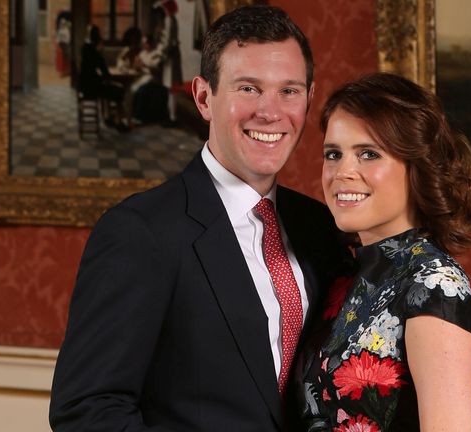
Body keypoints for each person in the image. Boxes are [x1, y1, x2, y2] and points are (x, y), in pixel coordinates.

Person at [49, 5, 350, 431]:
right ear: (204, 97)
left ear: (309, 97)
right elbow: (87, 410)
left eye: (289, 91)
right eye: (248, 88)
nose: (270, 112)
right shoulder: (140, 232)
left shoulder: (321, 228)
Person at [295, 73, 471, 431]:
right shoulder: (346, 276)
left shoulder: (436, 289)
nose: (343, 172)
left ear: (416, 166)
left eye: (368, 154)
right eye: (333, 154)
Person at [77, 24, 127, 132]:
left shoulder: (84, 49)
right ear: (98, 41)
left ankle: (107, 117)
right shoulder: (95, 53)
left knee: (107, 87)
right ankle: (119, 123)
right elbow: (106, 74)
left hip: (83, 86)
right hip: (92, 88)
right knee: (119, 91)